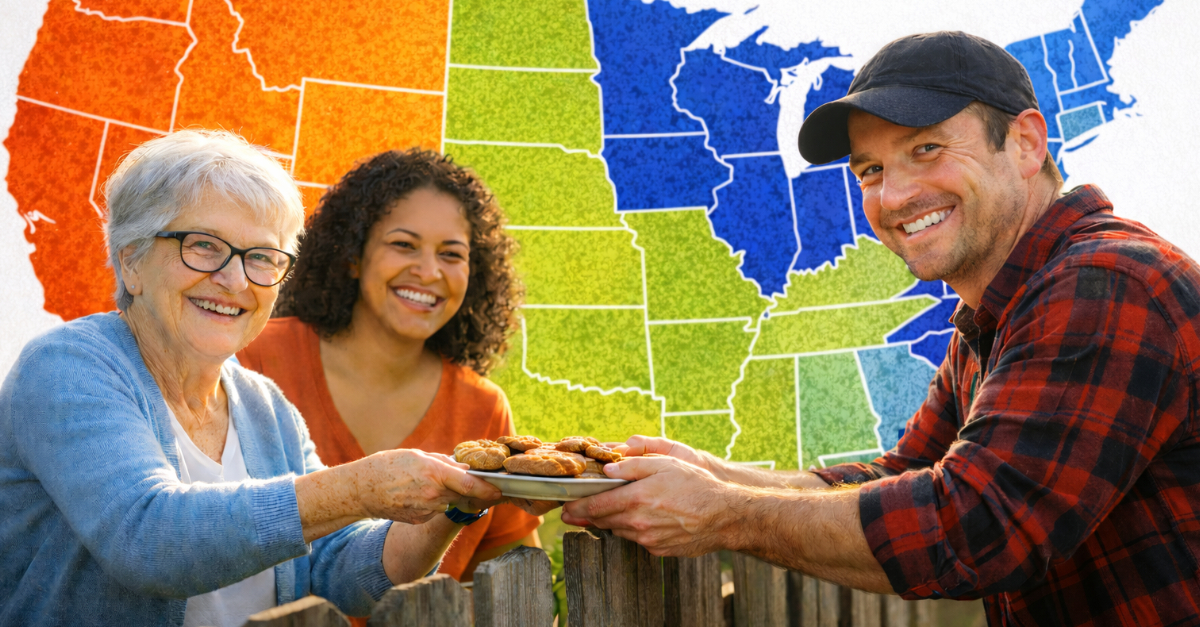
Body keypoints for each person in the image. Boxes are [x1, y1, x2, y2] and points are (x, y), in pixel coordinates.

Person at [563, 31, 1200, 625]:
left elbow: (974, 526)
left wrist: (724, 514)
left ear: (1027, 143)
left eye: (926, 148)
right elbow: (905, 475)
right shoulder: (1001, 315)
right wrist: (714, 475)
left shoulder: (1108, 284)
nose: (893, 197)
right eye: (870, 171)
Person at [0, 130, 516, 627]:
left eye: (262, 257)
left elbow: (335, 571)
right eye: (203, 246)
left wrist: (454, 504)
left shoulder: (263, 404)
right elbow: (148, 540)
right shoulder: (69, 368)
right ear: (130, 259)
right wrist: (358, 489)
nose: (235, 280)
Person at [237, 148, 541, 585]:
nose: (429, 271)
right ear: (353, 254)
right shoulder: (254, 356)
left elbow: (516, 584)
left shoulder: (484, 409)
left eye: (451, 254)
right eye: (403, 245)